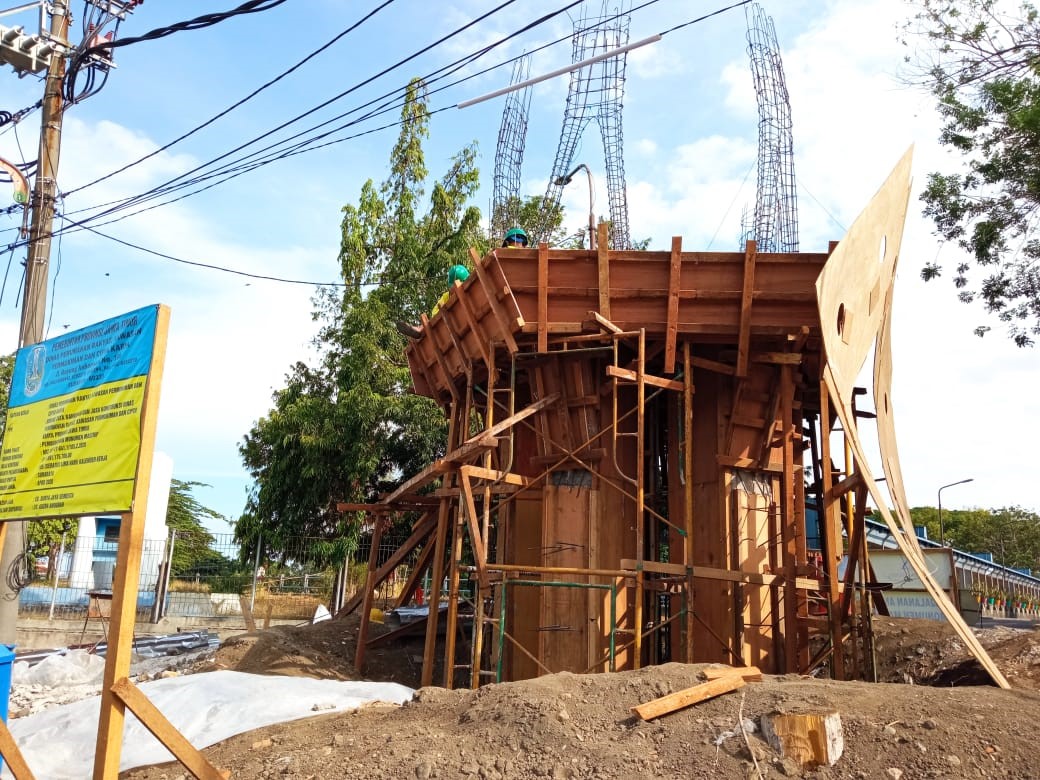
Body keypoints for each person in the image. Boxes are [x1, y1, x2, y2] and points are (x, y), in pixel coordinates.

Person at [395, 264, 471, 339]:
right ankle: (420, 329)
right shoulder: (447, 296)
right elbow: (435, 312)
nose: (454, 289)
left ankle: (420, 328)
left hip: (464, 319)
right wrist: (447, 308)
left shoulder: (472, 287)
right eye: (452, 287)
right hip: (449, 324)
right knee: (431, 322)